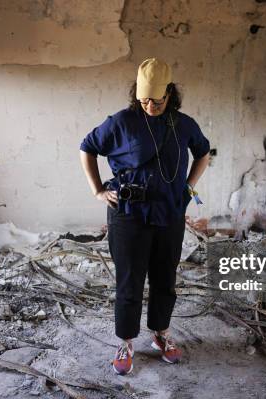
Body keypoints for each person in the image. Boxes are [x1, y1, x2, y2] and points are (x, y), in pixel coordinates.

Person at [79, 58, 211, 375]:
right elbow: (87, 147)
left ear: (170, 94)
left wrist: (188, 187)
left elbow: (203, 152)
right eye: (143, 99)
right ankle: (125, 342)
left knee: (165, 279)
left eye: (157, 99)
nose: (150, 105)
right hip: (128, 214)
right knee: (130, 282)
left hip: (169, 213)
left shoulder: (183, 124)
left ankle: (161, 335)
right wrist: (97, 190)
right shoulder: (122, 122)